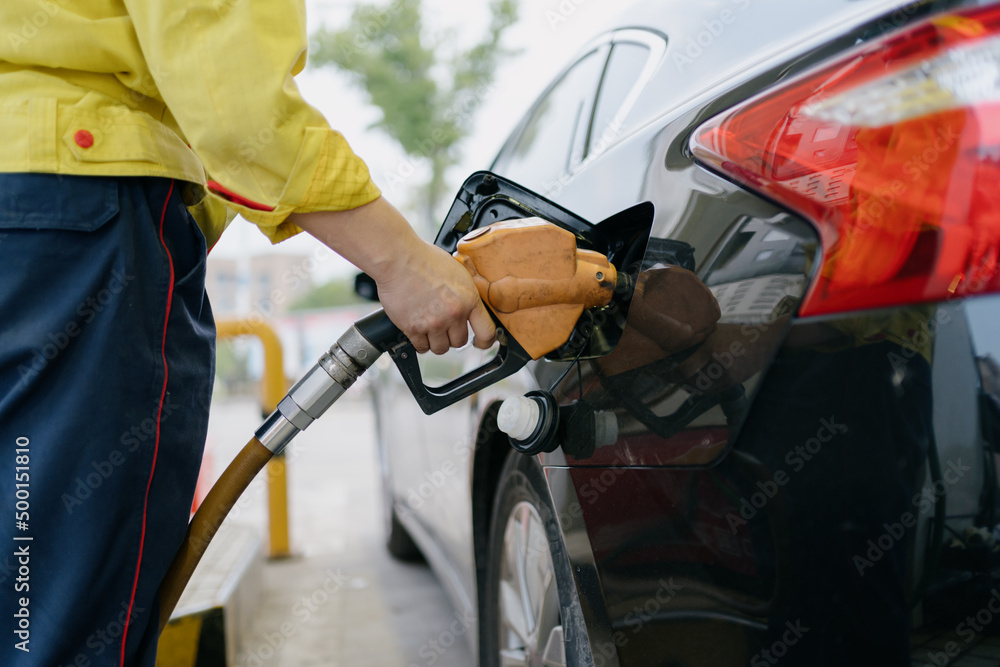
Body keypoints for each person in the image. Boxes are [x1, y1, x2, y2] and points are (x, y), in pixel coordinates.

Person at [0, 2, 495, 665]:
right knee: (51, 619)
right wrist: (401, 260)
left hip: (40, 209)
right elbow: (230, 95)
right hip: (62, 213)